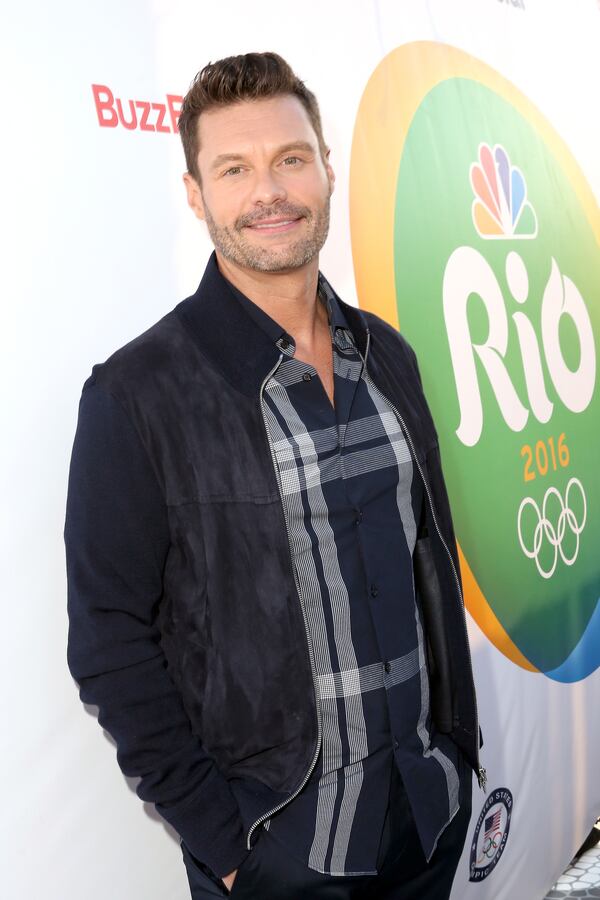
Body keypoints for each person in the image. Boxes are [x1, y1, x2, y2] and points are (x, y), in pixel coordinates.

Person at [64, 51, 485, 899]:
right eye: (235, 168)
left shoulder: (389, 356)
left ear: (327, 170)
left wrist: (459, 748)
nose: (271, 192)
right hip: (280, 857)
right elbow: (108, 645)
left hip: (427, 818)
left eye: (291, 159)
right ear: (196, 194)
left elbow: (428, 561)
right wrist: (228, 845)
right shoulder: (135, 395)